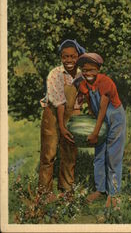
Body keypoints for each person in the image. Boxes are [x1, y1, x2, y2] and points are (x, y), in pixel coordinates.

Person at [75, 53, 126, 208]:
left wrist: (95, 133)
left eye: (91, 70)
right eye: (84, 70)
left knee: (113, 156)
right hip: (100, 120)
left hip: (114, 119)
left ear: (98, 69)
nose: (87, 73)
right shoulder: (84, 83)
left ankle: (114, 193)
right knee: (99, 155)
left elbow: (103, 109)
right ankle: (100, 189)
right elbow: (91, 104)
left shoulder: (105, 82)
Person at [38, 39, 85, 202]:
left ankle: (66, 190)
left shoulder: (81, 75)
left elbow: (79, 101)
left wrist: (76, 124)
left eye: (73, 56)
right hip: (52, 114)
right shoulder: (55, 74)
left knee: (69, 153)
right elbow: (59, 104)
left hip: (71, 114)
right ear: (61, 57)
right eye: (65, 57)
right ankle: (45, 193)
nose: (69, 60)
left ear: (78, 56)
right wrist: (62, 127)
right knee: (49, 153)